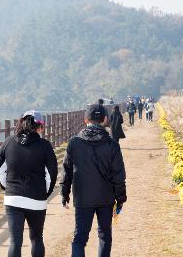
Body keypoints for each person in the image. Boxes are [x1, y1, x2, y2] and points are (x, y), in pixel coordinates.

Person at [61, 104, 127, 257]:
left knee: (79, 239)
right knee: (104, 236)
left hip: (83, 197)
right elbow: (119, 175)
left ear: (85, 120)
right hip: (106, 198)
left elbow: (67, 171)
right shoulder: (112, 145)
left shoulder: (74, 143)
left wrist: (65, 194)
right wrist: (120, 199)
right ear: (105, 119)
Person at [0, 110, 58, 257]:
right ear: (40, 127)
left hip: (13, 198)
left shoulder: (9, 142)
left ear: (21, 123)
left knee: (14, 242)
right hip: (37, 199)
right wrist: (44, 193)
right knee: (36, 239)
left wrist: (8, 187)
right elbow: (51, 175)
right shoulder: (45, 146)